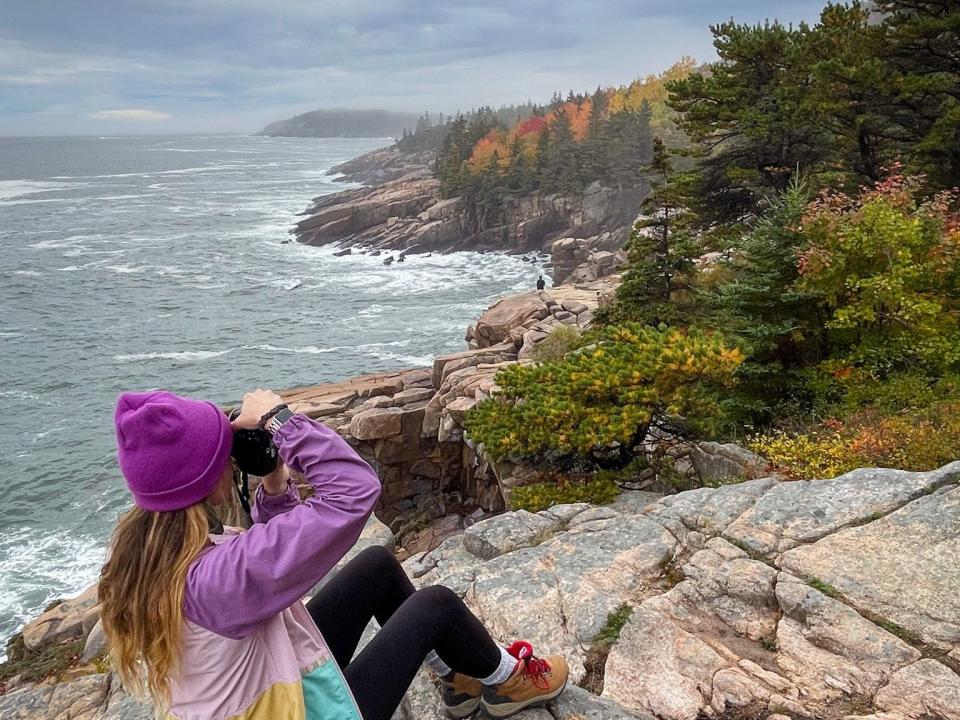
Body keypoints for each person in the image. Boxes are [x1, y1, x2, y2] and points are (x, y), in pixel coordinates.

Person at [98, 388, 568, 720]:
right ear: (205, 478)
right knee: (436, 606)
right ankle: (508, 683)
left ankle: (459, 678)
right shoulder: (214, 582)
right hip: (299, 713)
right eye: (223, 450)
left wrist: (274, 481)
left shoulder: (153, 554)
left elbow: (261, 570)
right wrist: (280, 422)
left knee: (377, 567)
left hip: (268, 688)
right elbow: (354, 491)